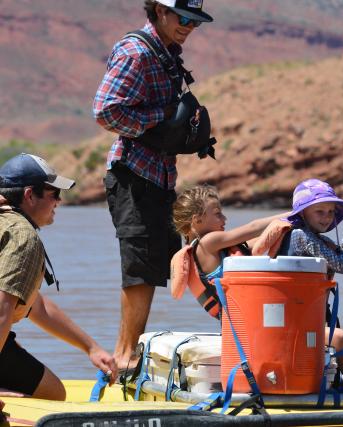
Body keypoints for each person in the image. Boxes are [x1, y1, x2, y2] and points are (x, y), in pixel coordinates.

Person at [93, 0, 214, 371]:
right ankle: (125, 356)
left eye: (196, 21)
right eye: (184, 18)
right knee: (141, 267)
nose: (189, 26)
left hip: (159, 177)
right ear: (160, 11)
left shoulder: (167, 54)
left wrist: (183, 134)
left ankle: (128, 352)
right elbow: (105, 110)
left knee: (168, 262)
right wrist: (163, 120)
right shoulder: (136, 52)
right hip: (133, 175)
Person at [0, 153, 116, 400]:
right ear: (30, 195)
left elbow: (35, 305)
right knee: (53, 395)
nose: (59, 201)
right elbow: (2, 308)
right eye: (53, 194)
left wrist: (91, 347)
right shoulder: (23, 237)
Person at [280, 178, 343, 387]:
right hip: (291, 323)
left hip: (306, 319)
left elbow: (339, 256)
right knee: (340, 338)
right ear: (303, 213)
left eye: (331, 212)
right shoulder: (300, 236)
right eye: (319, 212)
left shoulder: (316, 238)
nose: (326, 218)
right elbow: (341, 264)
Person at [171, 184, 289, 291]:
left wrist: (282, 230)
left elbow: (254, 242)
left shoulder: (199, 249)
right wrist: (294, 214)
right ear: (198, 220)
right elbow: (253, 227)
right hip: (242, 310)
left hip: (231, 313)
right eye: (218, 214)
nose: (224, 219)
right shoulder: (208, 242)